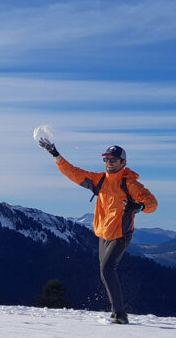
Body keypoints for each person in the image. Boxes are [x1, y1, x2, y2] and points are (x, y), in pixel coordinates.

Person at [38, 139, 158, 324]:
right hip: (103, 235)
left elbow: (152, 203)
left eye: (113, 160)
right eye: (106, 159)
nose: (109, 162)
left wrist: (139, 206)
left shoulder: (130, 184)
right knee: (105, 272)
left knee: (107, 269)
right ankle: (116, 311)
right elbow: (74, 173)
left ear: (123, 162)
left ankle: (120, 315)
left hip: (120, 235)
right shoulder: (100, 180)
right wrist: (55, 154)